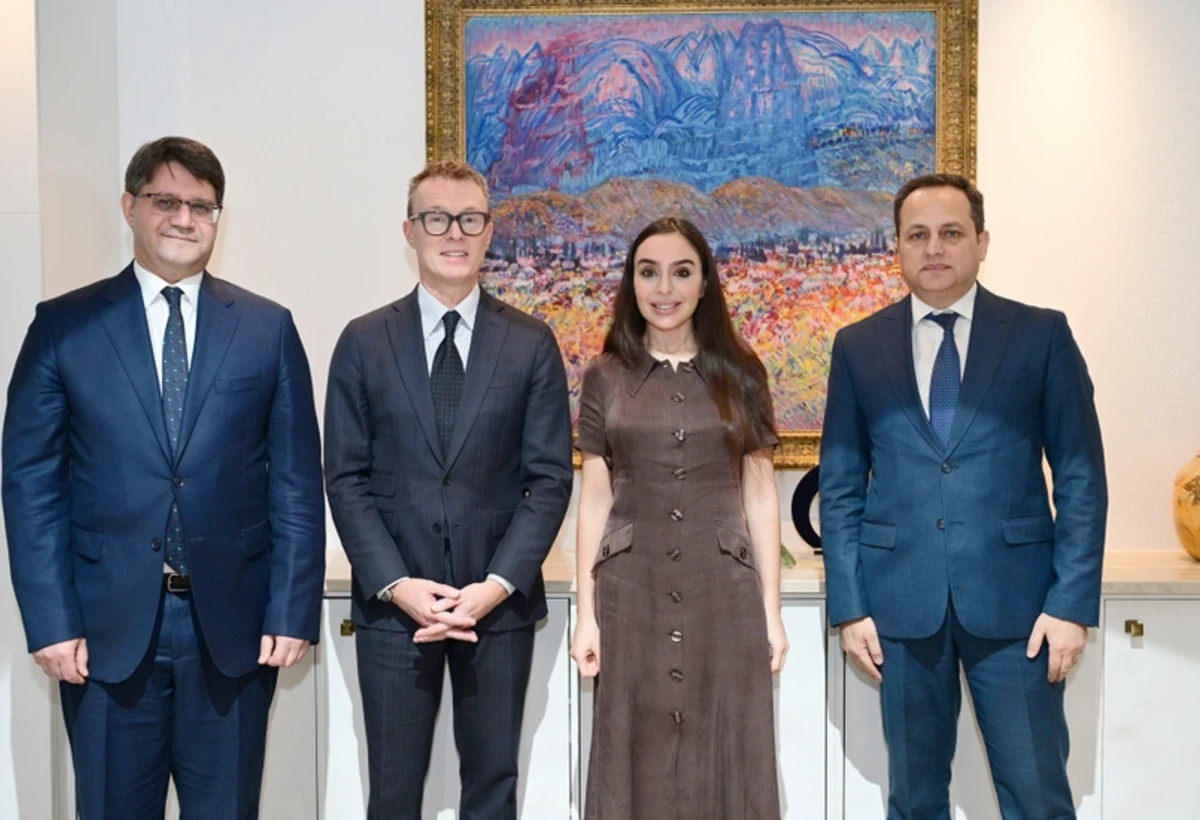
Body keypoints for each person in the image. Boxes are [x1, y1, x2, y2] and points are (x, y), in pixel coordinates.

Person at [2, 136, 325, 818]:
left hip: (233, 633)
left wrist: (292, 610)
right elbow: (31, 486)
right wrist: (50, 621)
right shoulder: (63, 326)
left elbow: (296, 482)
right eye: (166, 201)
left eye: (202, 207)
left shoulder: (267, 328)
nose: (184, 219)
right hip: (104, 633)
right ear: (130, 206)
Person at [820, 173, 1107, 818]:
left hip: (1020, 610)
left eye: (951, 233)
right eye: (917, 235)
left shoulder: (1040, 335)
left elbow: (1081, 475)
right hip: (899, 611)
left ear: (982, 242)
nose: (934, 248)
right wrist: (850, 607)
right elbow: (839, 487)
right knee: (914, 799)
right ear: (896, 247)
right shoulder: (859, 347)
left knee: (1036, 796)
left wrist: (1070, 604)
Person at [324, 159, 572, 819]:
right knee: (392, 791)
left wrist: (495, 586)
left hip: (497, 607)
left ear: (490, 232)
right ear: (409, 230)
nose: (454, 233)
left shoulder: (531, 343)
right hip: (393, 608)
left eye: (469, 219)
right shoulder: (363, 342)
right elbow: (344, 479)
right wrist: (397, 584)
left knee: (493, 786)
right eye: (437, 218)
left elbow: (549, 481)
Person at [570, 217, 788, 820]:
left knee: (728, 744)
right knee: (632, 747)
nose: (664, 288)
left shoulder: (742, 373)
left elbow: (760, 494)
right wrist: (586, 615)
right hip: (629, 593)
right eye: (649, 272)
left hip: (724, 593)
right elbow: (594, 498)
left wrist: (771, 612)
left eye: (681, 272)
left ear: (704, 284)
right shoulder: (604, 377)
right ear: (632, 283)